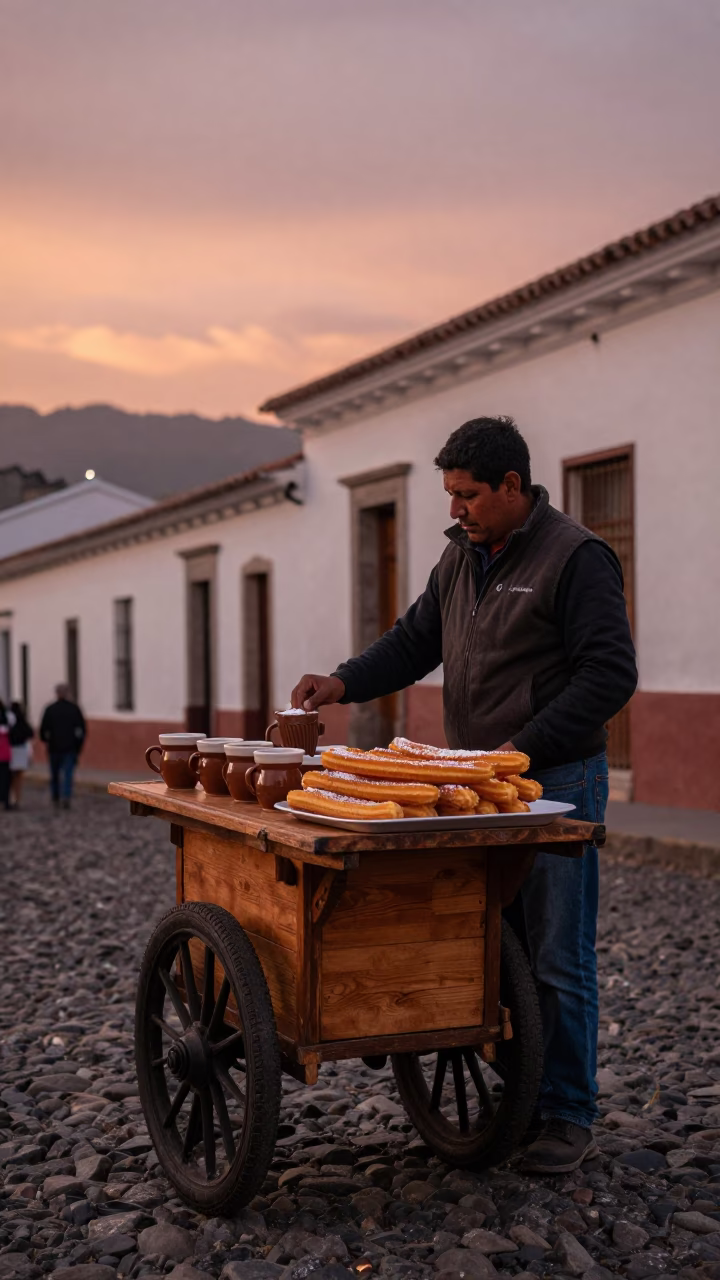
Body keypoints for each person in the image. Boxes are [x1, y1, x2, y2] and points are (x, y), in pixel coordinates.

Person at [291, 416, 637, 1175]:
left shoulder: (575, 557)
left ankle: (566, 1114)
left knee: (556, 954)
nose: (456, 511)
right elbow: (414, 642)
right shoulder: (460, 561)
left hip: (555, 783)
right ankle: (518, 1097)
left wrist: (525, 749)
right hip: (477, 789)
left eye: (468, 495)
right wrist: (341, 681)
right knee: (489, 942)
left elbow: (611, 675)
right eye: (450, 495)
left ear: (513, 486)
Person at [40, 683, 86, 810]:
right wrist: (78, 746)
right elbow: (81, 730)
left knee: (55, 774)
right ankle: (66, 796)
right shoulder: (74, 709)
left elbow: (43, 729)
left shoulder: (50, 709)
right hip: (69, 748)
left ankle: (56, 796)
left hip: (55, 747)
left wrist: (46, 740)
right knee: (67, 774)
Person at [9, 701, 34, 809]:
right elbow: (30, 733)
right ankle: (18, 798)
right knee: (19, 777)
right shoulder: (23, 722)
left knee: (11, 776)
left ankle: (11, 797)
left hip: (11, 750)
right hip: (21, 750)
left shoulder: (10, 721)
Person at [0, 701, 12, 811]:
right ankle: (5, 801)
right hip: (4, 755)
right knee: (5, 778)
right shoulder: (7, 718)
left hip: (4, 754)